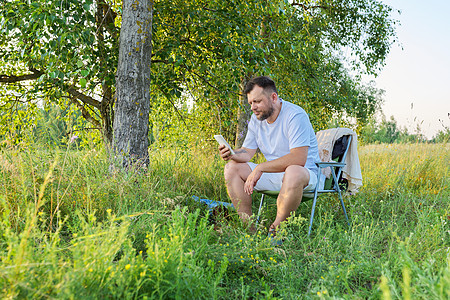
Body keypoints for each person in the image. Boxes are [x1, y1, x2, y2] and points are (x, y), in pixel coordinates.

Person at [218, 76, 320, 235]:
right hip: (275, 174)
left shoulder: (295, 115)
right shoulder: (256, 119)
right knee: (232, 168)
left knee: (293, 170)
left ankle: (276, 232)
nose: (253, 107)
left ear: (273, 97)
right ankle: (250, 230)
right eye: (251, 102)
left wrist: (261, 167)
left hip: (304, 175)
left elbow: (298, 159)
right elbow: (247, 152)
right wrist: (232, 153)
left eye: (257, 101)